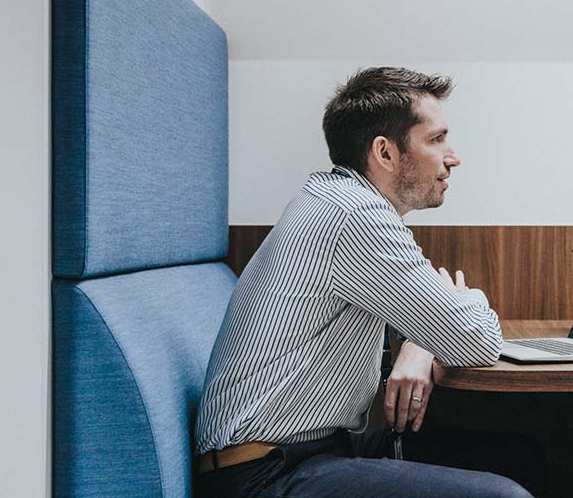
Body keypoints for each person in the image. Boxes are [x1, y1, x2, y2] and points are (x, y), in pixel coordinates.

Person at [193, 67, 536, 497]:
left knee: (520, 457)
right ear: (385, 153)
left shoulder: (335, 200)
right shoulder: (356, 215)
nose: (453, 157)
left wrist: (422, 342)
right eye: (436, 139)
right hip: (262, 473)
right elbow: (476, 340)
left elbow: (432, 322)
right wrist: (469, 298)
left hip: (304, 451)